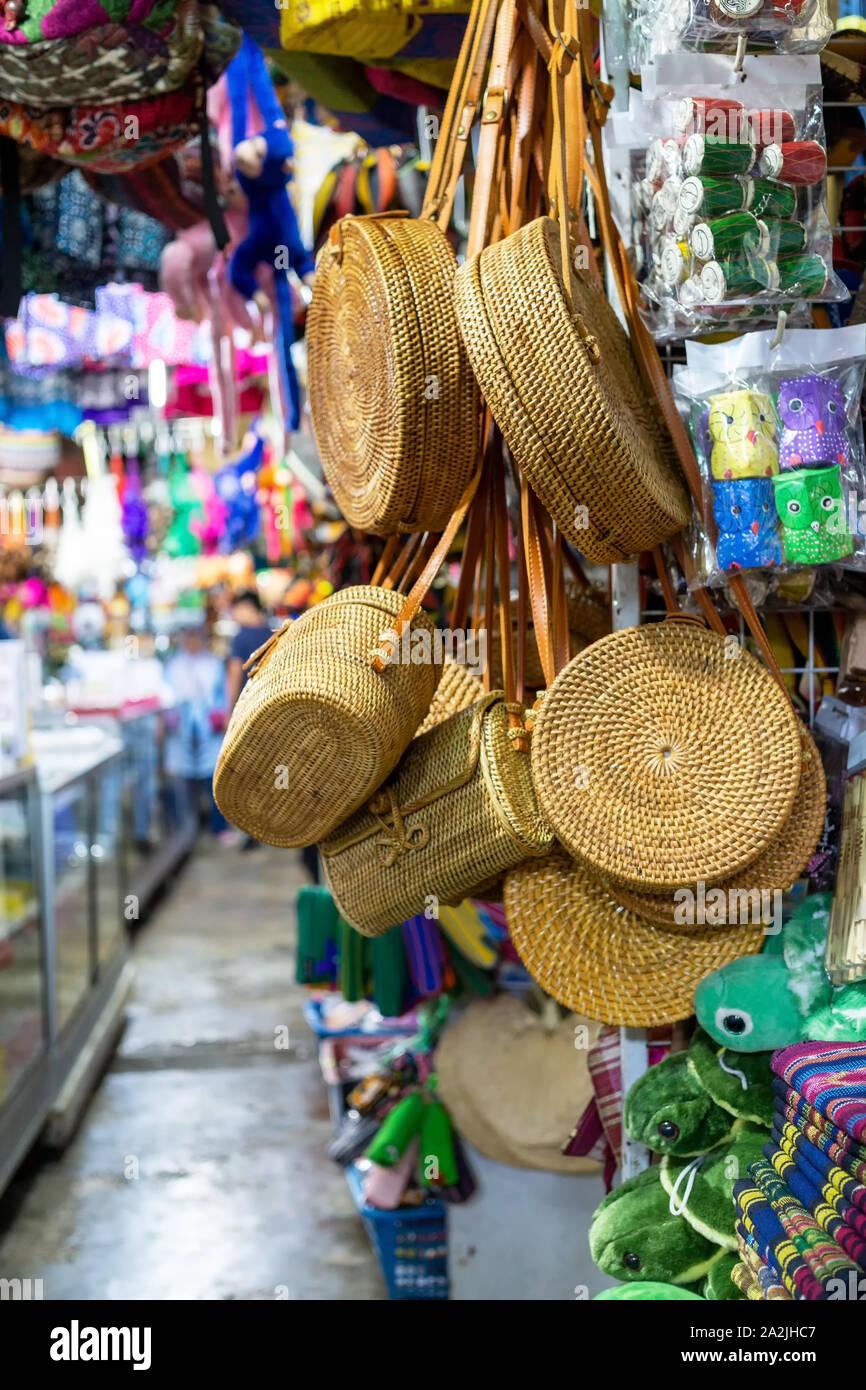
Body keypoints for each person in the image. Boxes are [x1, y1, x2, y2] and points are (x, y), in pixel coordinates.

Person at [163, 619, 230, 838]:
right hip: (180, 729)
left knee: (213, 779)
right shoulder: (173, 665)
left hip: (208, 729)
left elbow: (221, 695)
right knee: (182, 782)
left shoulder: (213, 663)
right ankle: (184, 828)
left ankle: (218, 827)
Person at [226, 589, 273, 708]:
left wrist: (230, 708)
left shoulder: (241, 637)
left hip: (248, 704)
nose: (234, 615)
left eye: (236, 609)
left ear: (248, 607)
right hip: (270, 700)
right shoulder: (273, 634)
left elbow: (235, 672)